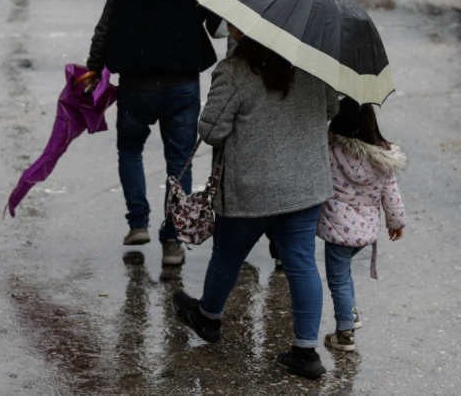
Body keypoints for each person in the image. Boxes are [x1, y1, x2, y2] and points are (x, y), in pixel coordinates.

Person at [172, 24, 339, 379]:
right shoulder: (311, 63)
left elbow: (211, 130)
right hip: (304, 186)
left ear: (243, 26)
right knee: (302, 263)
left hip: (250, 188)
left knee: (228, 255)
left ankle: (208, 317)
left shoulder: (234, 71)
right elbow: (329, 108)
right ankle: (306, 353)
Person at [86, 0, 222, 266]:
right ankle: (173, 241)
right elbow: (216, 26)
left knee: (130, 149)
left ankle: (138, 223)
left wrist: (94, 68)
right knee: (179, 163)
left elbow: (105, 28)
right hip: (182, 84)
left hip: (137, 83)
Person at [318, 98, 406, 352]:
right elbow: (391, 195)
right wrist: (396, 223)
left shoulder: (331, 151)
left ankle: (345, 334)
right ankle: (352, 315)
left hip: (337, 231)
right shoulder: (382, 158)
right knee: (344, 276)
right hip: (366, 232)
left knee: (338, 280)